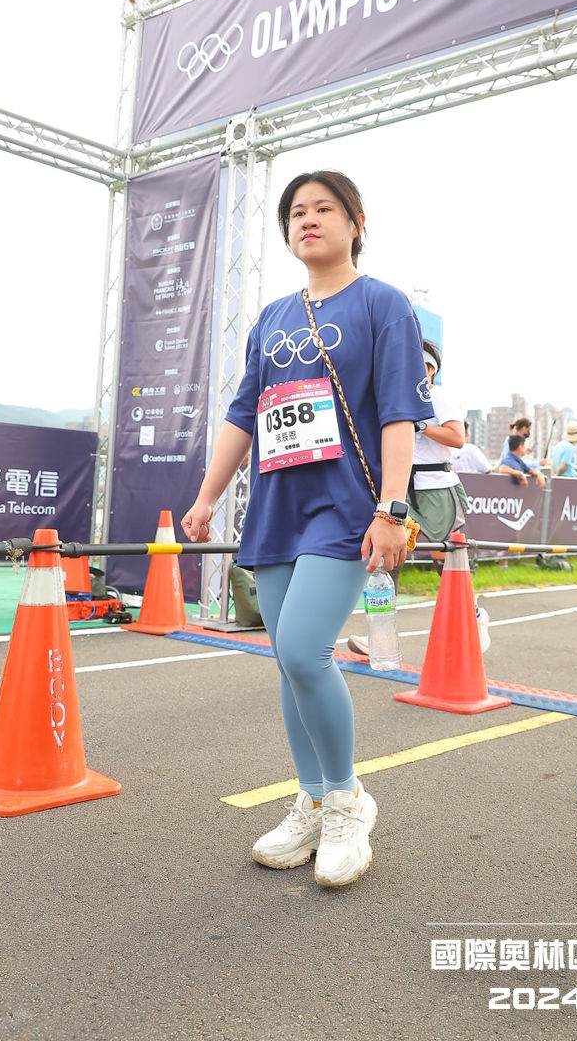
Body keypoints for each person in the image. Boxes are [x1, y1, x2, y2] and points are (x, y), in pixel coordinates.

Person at [182, 169, 433, 888]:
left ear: (356, 223)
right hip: (277, 507)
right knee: (288, 662)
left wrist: (392, 508)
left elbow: (398, 413)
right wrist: (206, 497)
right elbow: (243, 414)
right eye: (296, 212)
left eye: (324, 208)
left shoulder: (382, 304)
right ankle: (315, 800)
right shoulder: (271, 318)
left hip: (345, 506)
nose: (307, 220)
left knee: (302, 649)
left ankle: (347, 803)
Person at [349, 342, 491, 656]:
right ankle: (380, 637)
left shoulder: (438, 397)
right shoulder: (391, 395)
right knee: (387, 558)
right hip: (400, 487)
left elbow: (457, 438)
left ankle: (474, 616)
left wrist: (422, 425)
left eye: (418, 363)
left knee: (448, 559)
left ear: (430, 370)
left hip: (437, 487)